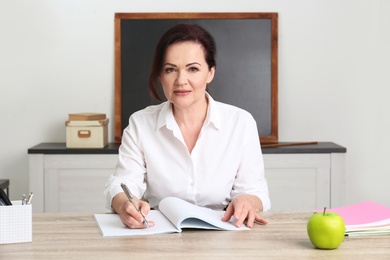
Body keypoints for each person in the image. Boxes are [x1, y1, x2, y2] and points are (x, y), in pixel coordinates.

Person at [104, 23, 271, 229]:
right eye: (170, 70)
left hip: (226, 231)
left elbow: (255, 189)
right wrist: (124, 203)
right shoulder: (140, 123)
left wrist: (248, 200)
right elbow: (123, 182)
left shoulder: (241, 122)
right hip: (160, 232)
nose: (181, 80)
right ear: (160, 76)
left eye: (193, 69)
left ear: (210, 73)